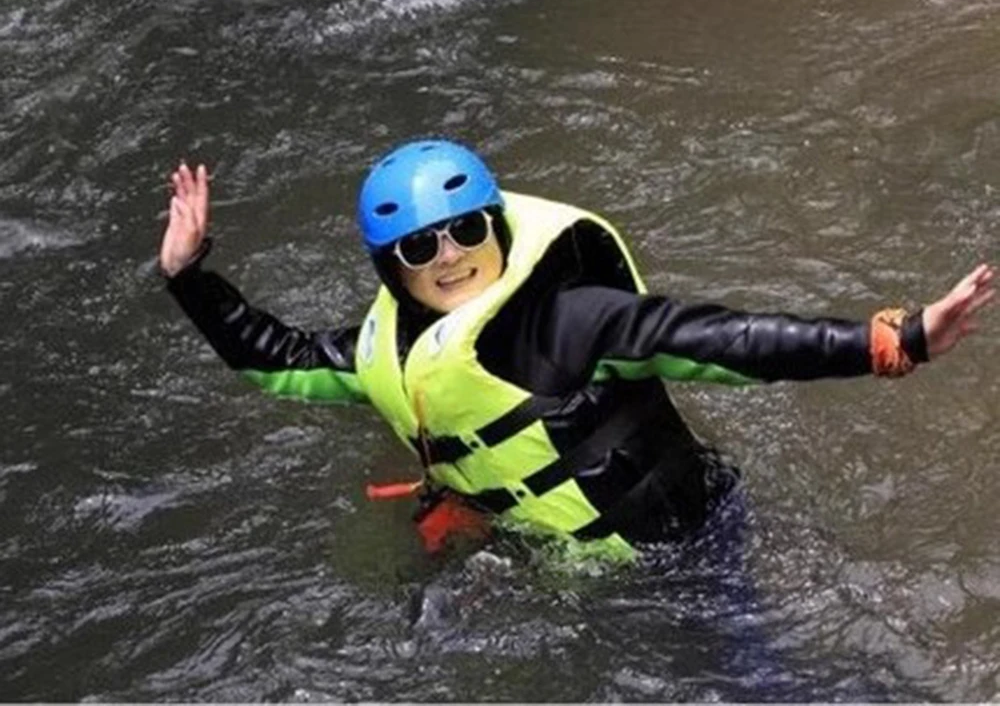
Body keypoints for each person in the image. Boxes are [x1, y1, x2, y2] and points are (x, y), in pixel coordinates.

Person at [160, 140, 995, 561]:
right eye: (421, 249)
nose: (449, 256)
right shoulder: (390, 343)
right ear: (392, 270)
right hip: (554, 552)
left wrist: (896, 341)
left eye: (465, 231)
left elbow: (728, 341)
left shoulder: (572, 318)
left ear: (496, 223)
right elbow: (278, 360)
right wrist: (191, 275)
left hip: (677, 549)